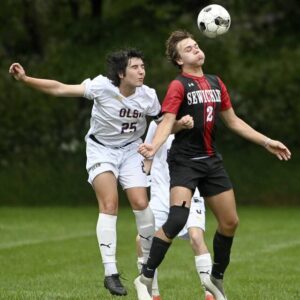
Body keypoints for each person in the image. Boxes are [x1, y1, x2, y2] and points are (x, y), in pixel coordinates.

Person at [134, 30, 291, 300]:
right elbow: (168, 120)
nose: (196, 49)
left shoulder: (216, 82)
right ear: (179, 60)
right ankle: (145, 277)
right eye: (188, 48)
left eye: (196, 45)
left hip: (211, 161)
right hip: (184, 161)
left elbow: (233, 121)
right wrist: (154, 146)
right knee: (177, 219)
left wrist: (266, 142)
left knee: (230, 222)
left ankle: (215, 278)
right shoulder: (178, 85)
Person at [9, 48, 162, 297]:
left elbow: (163, 120)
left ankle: (146, 266)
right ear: (121, 73)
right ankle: (110, 272)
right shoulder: (102, 86)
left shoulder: (148, 96)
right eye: (135, 67)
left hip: (132, 152)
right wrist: (26, 79)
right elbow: (60, 89)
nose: (142, 71)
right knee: (110, 203)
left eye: (143, 66)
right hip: (102, 151)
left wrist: (153, 147)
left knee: (141, 203)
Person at [136, 120, 215, 300]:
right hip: (161, 193)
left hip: (189, 189)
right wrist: (137, 180)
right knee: (142, 240)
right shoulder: (157, 124)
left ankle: (210, 294)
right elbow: (148, 157)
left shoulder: (197, 121)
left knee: (196, 237)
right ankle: (153, 295)